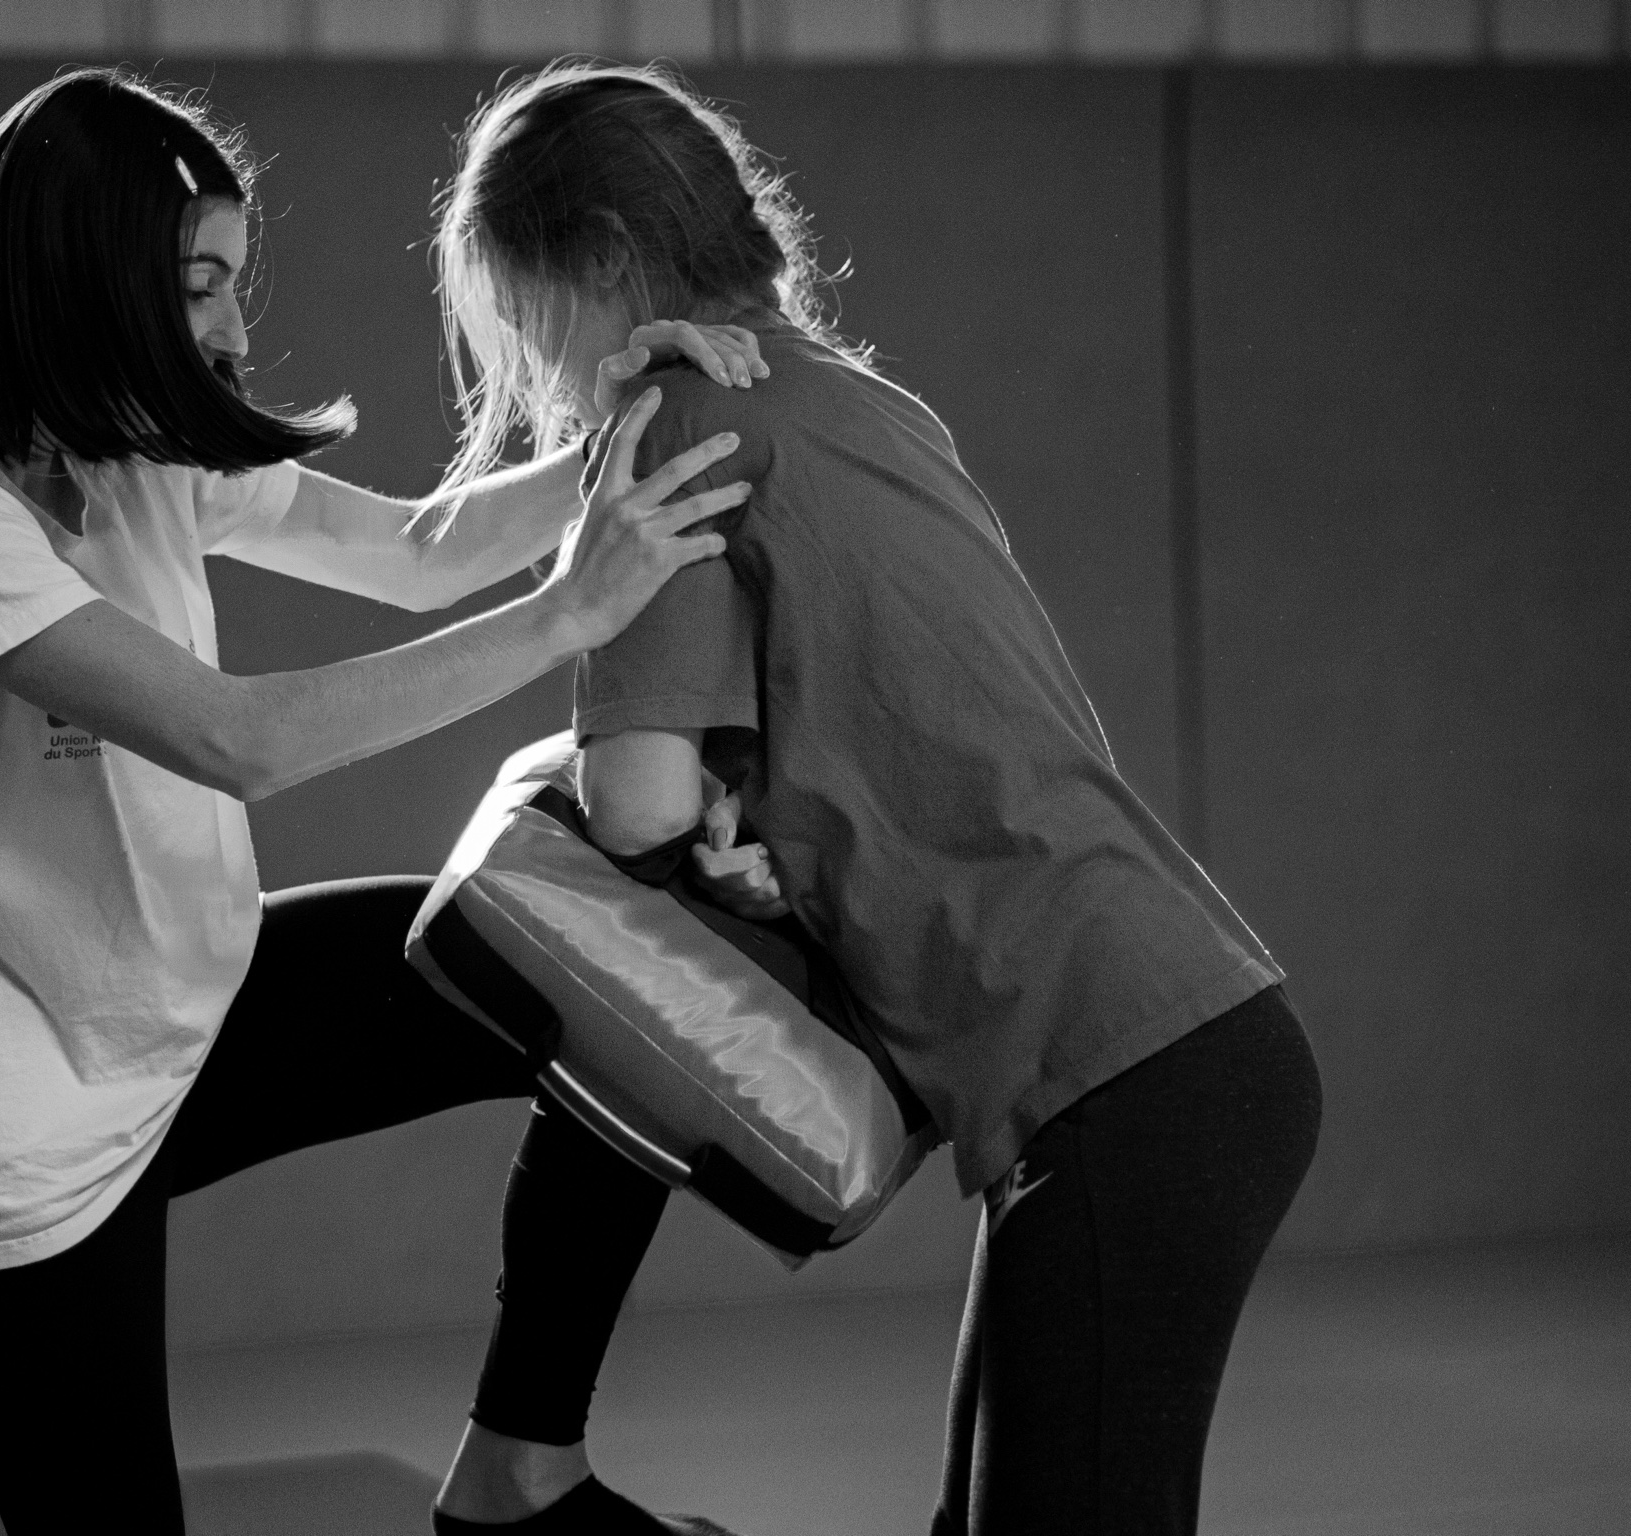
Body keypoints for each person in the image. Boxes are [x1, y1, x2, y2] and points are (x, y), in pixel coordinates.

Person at [0, 67, 768, 1532]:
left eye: (233, 284)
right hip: (10, 1123)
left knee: (609, 983)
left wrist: (637, 421)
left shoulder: (131, 452)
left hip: (193, 1006)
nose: (236, 331)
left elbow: (422, 552)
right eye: (200, 288)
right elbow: (233, 738)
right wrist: (571, 612)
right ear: (79, 276)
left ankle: (524, 1479)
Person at [430, 63, 1324, 1535]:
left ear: (602, 259)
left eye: (525, 311)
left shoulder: (672, 419)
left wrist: (628, 794)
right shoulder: (852, 398)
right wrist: (768, 827)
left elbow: (635, 811)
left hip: (1123, 1078)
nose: (534, 358)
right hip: (1164, 1057)